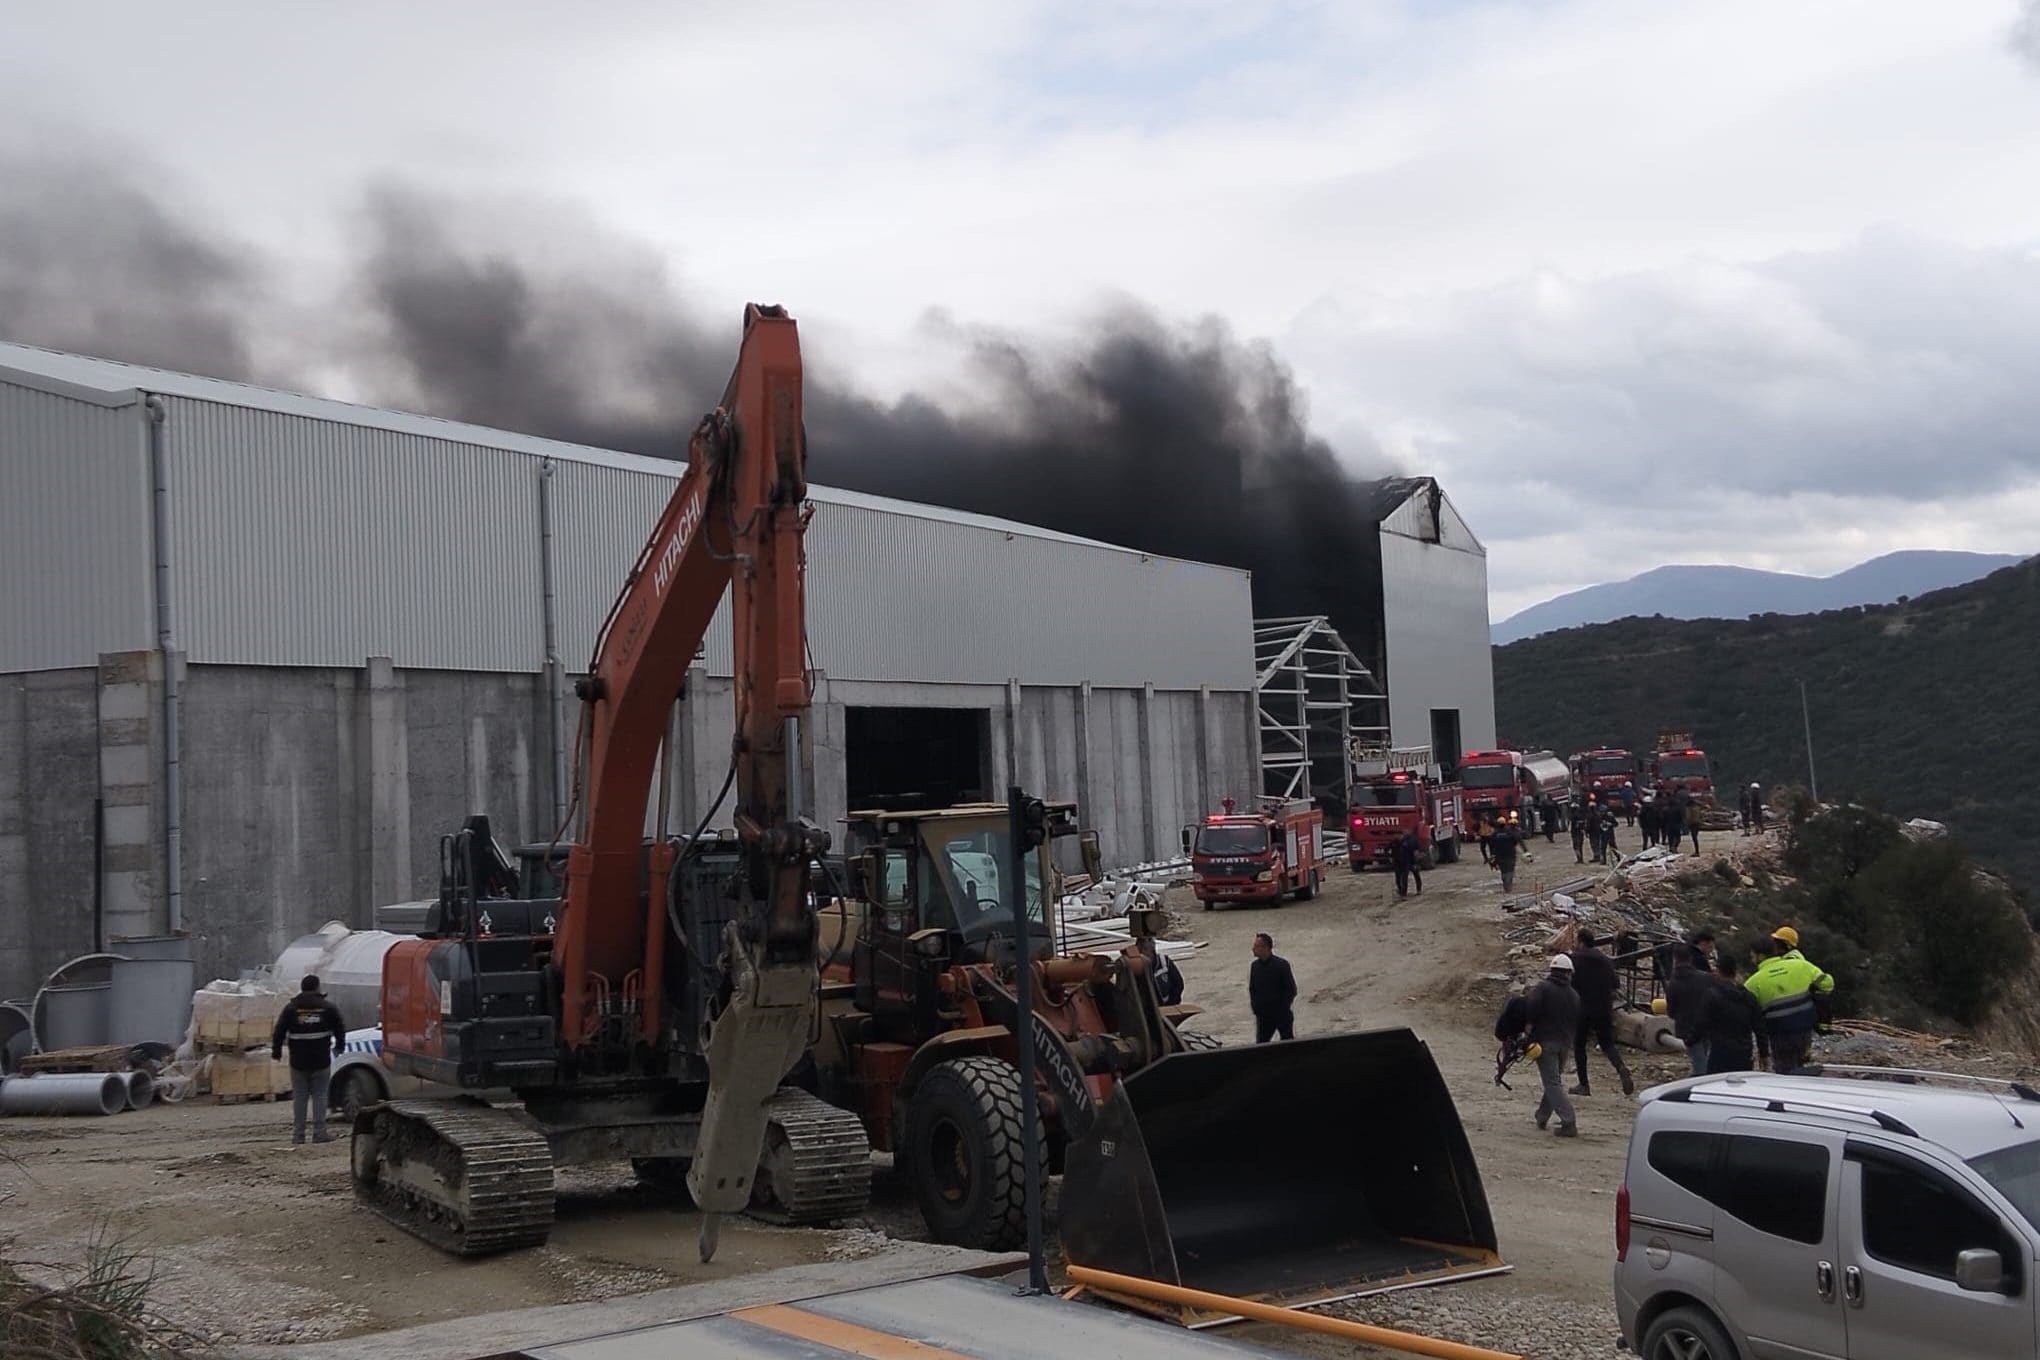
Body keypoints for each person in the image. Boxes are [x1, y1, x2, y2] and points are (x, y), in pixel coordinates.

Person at [271, 974, 348, 1145]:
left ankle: (298, 1135)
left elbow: (279, 1031)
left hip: (298, 1061)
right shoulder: (327, 1008)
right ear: (317, 988)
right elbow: (340, 1028)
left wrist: (276, 1052)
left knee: (300, 1097)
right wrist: (340, 1047)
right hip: (320, 1060)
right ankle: (319, 1133)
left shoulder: (291, 1009)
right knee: (320, 1096)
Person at [1745, 927, 1835, 1074]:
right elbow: (1827, 984)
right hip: (1803, 1029)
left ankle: (1790, 1092)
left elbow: (1749, 1013)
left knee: (1784, 1070)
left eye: (1752, 954)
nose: (1751, 957)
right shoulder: (1802, 965)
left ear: (1760, 956)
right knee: (1801, 1064)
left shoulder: (1752, 983)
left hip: (1779, 1035)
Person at [1568, 931, 1635, 1097]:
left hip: (1582, 1008)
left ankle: (1584, 1085)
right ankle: (1620, 1067)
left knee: (1579, 1045)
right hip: (1604, 1008)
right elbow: (1615, 984)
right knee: (1607, 1043)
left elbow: (1569, 982)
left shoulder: (1575, 959)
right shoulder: (1605, 960)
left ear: (1581, 942)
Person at [1524, 956, 1581, 1137]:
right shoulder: (1574, 995)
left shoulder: (1543, 989)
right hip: (1565, 1044)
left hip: (1545, 1043)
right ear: (1569, 973)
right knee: (1553, 1081)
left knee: (1552, 1083)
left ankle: (1568, 1121)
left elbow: (1529, 1010)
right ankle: (1542, 1116)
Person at [1699, 954, 1767, 1075]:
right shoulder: (1748, 997)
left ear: (1718, 971)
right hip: (1744, 1052)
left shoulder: (1711, 996)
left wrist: (1690, 1039)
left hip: (1719, 1051)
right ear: (1735, 972)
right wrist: (1764, 1053)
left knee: (1716, 1086)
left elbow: (1702, 1022)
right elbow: (1759, 1027)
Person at [1665, 945, 1715, 1077]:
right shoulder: (1706, 978)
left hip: (1687, 1028)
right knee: (1704, 1056)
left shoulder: (1673, 983)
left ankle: (1701, 1086)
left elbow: (1670, 1011)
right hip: (1708, 1024)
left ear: (1675, 959)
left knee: (1699, 1064)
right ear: (1690, 958)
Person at [1249, 932, 1297, 1043]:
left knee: (1288, 1046)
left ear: (1265, 947)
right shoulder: (1254, 966)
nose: (1253, 949)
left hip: (1282, 1015)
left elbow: (1291, 990)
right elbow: (1253, 989)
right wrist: (1256, 1008)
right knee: (1261, 1046)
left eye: (1256, 946)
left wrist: (1282, 1008)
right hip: (1263, 1017)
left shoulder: (1281, 965)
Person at [1138, 936, 1185, 1005]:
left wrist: (1171, 1003)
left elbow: (1178, 984)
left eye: (1145, 949)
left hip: (1170, 1005)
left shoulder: (1164, 961)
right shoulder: (1138, 967)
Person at [1491, 812, 1525, 892]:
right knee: (1510, 870)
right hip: (1510, 854)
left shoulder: (1494, 834)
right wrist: (1525, 851)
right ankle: (1508, 885)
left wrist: (1492, 856)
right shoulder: (1510, 832)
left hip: (1499, 856)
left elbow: (1491, 846)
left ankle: (1505, 885)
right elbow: (1518, 841)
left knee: (1503, 871)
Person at [1390, 829, 1422, 899]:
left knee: (1412, 875)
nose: (1397, 836)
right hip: (1398, 862)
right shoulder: (1394, 842)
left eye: (1398, 835)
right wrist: (1390, 857)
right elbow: (1389, 850)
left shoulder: (1409, 842)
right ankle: (1401, 891)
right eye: (1395, 835)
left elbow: (1415, 853)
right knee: (1398, 878)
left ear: (1402, 835)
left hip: (1409, 861)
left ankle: (1417, 889)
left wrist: (1415, 862)